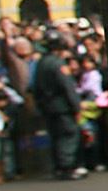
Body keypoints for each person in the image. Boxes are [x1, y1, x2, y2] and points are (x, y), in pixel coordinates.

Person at [32, 34, 86, 180]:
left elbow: (35, 87)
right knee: (68, 135)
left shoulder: (41, 63)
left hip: (47, 106)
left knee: (55, 136)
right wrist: (77, 107)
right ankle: (67, 166)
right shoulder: (58, 64)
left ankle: (58, 166)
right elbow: (67, 87)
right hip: (62, 107)